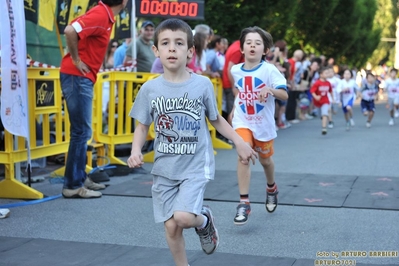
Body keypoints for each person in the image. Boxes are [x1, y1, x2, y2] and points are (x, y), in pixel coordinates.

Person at [127, 18, 257, 266]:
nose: (172, 48)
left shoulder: (202, 84)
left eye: (179, 43)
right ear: (156, 51)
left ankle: (204, 220)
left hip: (195, 165)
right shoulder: (149, 89)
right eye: (165, 43)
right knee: (172, 226)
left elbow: (216, 119)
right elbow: (142, 125)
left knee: (184, 218)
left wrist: (239, 142)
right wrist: (135, 150)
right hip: (164, 168)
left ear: (190, 51)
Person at [59, 0, 128, 198]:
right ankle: (73, 185)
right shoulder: (100, 14)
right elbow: (70, 30)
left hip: (80, 78)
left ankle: (79, 178)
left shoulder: (103, 14)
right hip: (77, 77)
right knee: (81, 131)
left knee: (81, 131)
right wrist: (76, 60)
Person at [230, 26, 288, 225]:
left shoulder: (269, 70)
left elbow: (284, 94)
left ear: (265, 50)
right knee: (243, 156)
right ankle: (244, 202)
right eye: (248, 43)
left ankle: (271, 187)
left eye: (257, 43)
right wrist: (233, 110)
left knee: (265, 161)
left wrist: (270, 90)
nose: (252, 46)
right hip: (242, 121)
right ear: (242, 48)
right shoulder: (235, 70)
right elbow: (239, 92)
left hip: (263, 125)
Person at [222, 40, 244, 124]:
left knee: (232, 110)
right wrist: (233, 86)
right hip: (232, 83)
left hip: (230, 82)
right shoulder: (238, 50)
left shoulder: (234, 45)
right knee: (233, 111)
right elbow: (230, 68)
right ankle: (232, 134)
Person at [310, 67, 333, 135]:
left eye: (328, 73)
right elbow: (312, 91)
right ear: (321, 75)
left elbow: (330, 91)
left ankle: (324, 128)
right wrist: (316, 96)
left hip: (325, 101)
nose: (327, 74)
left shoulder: (328, 83)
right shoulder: (317, 83)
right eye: (326, 73)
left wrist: (333, 98)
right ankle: (323, 119)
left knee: (324, 114)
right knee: (321, 115)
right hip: (317, 102)